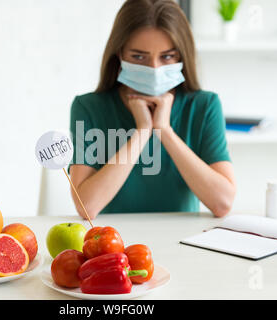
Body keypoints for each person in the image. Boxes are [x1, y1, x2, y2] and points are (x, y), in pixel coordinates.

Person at [68, 0, 236, 220]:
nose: (154, 69)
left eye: (167, 56)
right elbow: (86, 207)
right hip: (113, 246)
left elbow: (223, 203)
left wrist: (164, 130)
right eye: (139, 57)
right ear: (119, 54)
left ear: (182, 56)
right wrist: (143, 131)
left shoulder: (204, 106)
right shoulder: (88, 107)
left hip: (182, 243)